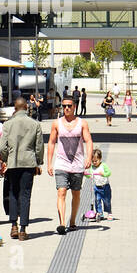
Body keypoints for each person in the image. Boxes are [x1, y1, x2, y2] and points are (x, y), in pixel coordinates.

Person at [47, 95, 93, 235]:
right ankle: (62, 223)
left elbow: (89, 141)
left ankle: (72, 220)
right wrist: (49, 163)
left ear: (74, 107)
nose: (66, 108)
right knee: (61, 192)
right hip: (61, 164)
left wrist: (89, 158)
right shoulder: (56, 123)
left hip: (77, 165)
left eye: (69, 106)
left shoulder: (82, 123)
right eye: (64, 106)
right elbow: (51, 142)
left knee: (76, 193)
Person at [0, 96, 42, 240]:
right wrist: (38, 162)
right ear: (26, 107)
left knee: (13, 193)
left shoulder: (7, 124)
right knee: (25, 195)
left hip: (12, 163)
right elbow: (39, 147)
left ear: (15, 108)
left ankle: (13, 226)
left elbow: (2, 147)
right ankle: (23, 229)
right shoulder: (35, 124)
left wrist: (5, 160)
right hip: (28, 163)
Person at [88, 148, 113, 221]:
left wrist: (104, 174)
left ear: (100, 159)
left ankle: (109, 212)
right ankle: (99, 213)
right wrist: (86, 175)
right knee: (97, 200)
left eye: (96, 161)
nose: (94, 163)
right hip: (97, 187)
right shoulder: (92, 167)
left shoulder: (103, 165)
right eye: (93, 161)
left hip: (105, 187)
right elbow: (90, 174)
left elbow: (109, 173)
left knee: (106, 201)